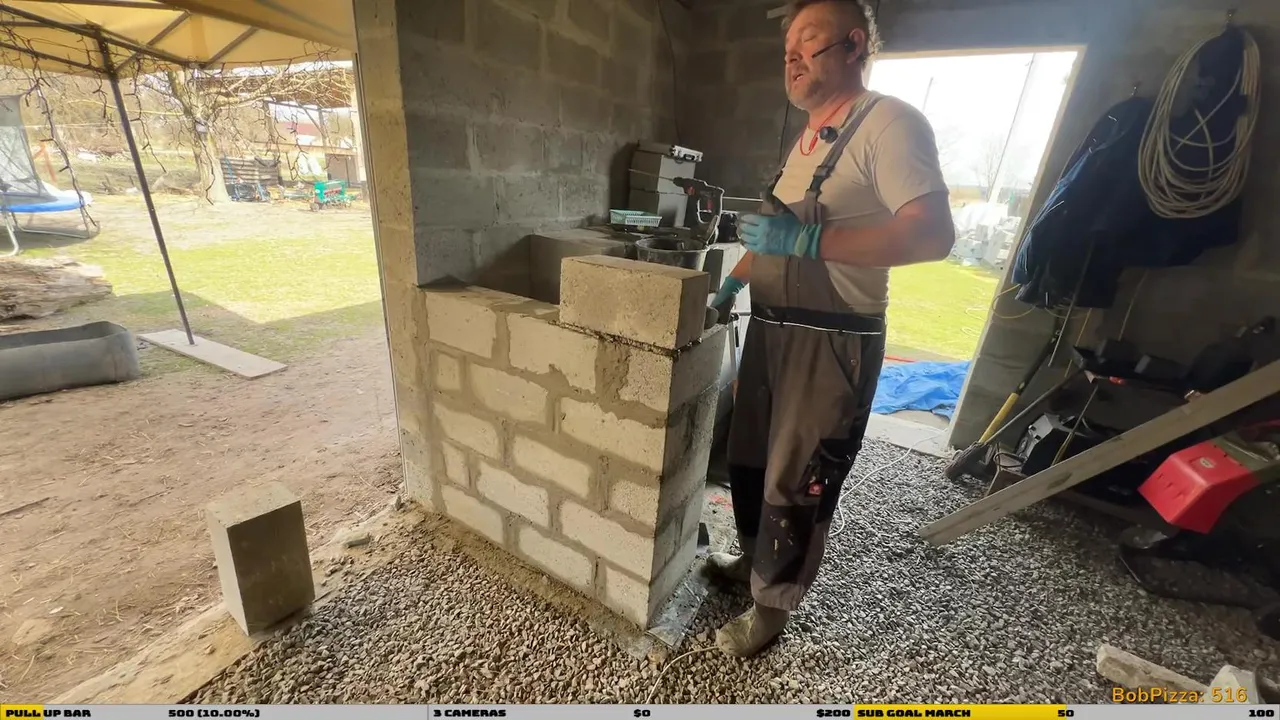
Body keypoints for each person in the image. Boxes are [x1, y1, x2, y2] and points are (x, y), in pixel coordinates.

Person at [704, 0, 956, 658]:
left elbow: (932, 234)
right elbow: (774, 241)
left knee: (797, 480)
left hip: (833, 340)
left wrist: (809, 241)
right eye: (786, 45)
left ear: (852, 46)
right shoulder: (807, 140)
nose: (791, 55)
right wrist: (731, 286)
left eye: (807, 40)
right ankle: (754, 561)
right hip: (772, 330)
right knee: (751, 459)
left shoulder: (889, 123)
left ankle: (771, 610)